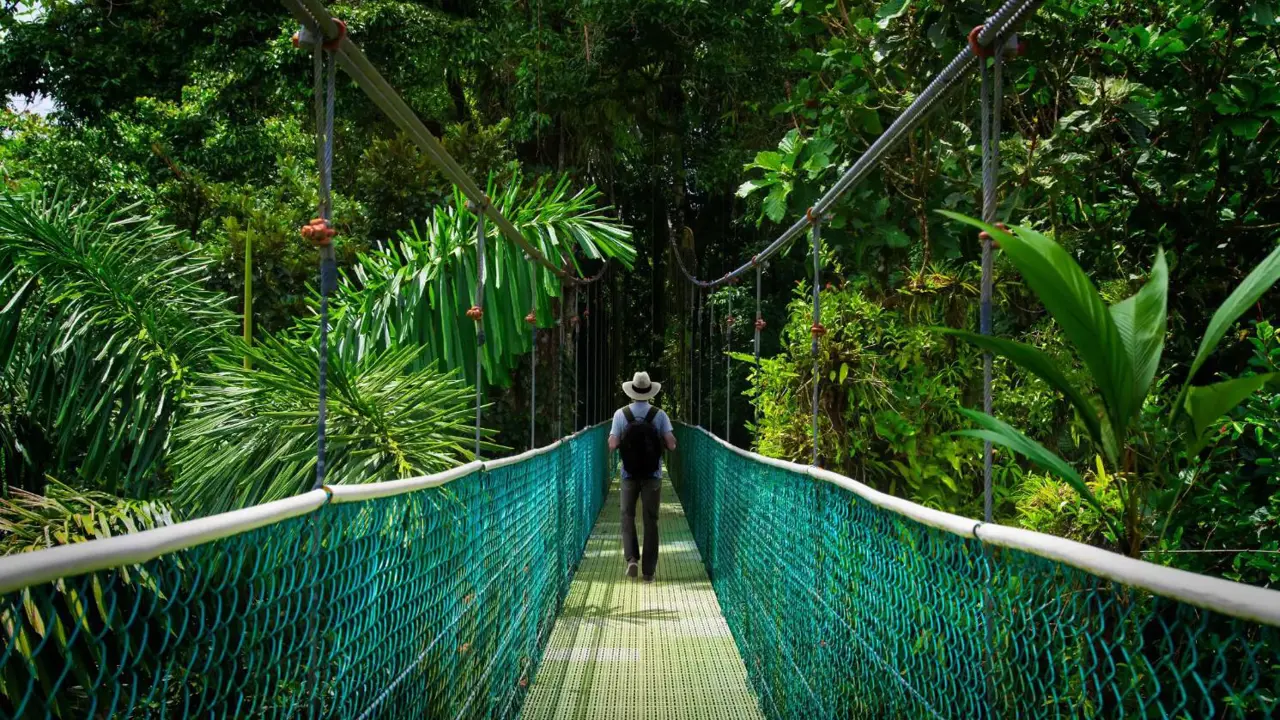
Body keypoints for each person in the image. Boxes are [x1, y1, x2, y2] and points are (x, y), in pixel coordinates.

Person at [608, 371, 677, 583]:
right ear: (649, 391)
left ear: (632, 391)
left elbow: (612, 444)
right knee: (651, 520)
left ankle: (631, 560)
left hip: (629, 474)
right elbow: (672, 445)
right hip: (652, 475)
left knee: (627, 516)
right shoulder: (659, 415)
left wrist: (622, 442)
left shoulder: (621, 414)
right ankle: (649, 572)